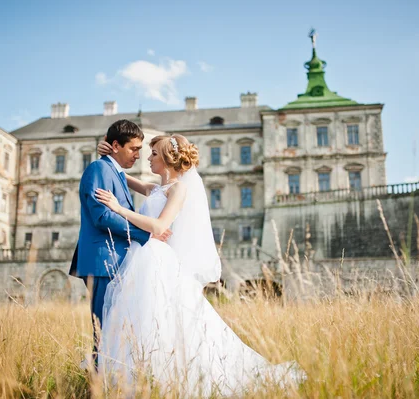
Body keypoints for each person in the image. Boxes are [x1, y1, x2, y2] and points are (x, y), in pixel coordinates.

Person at [95, 134, 306, 396]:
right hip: (143, 259)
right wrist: (107, 155)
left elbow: (160, 226)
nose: (147, 158)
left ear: (167, 159)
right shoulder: (156, 188)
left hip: (157, 260)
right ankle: (139, 377)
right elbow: (122, 176)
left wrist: (119, 208)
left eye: (153, 155)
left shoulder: (178, 189)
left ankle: (168, 377)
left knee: (164, 319)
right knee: (141, 319)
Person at [68, 119, 171, 370]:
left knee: (114, 328)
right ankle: (97, 381)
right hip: (104, 260)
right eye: (134, 148)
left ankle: (110, 377)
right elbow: (102, 216)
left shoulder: (114, 172)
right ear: (115, 145)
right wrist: (146, 235)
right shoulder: (98, 169)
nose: (139, 154)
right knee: (103, 329)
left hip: (115, 259)